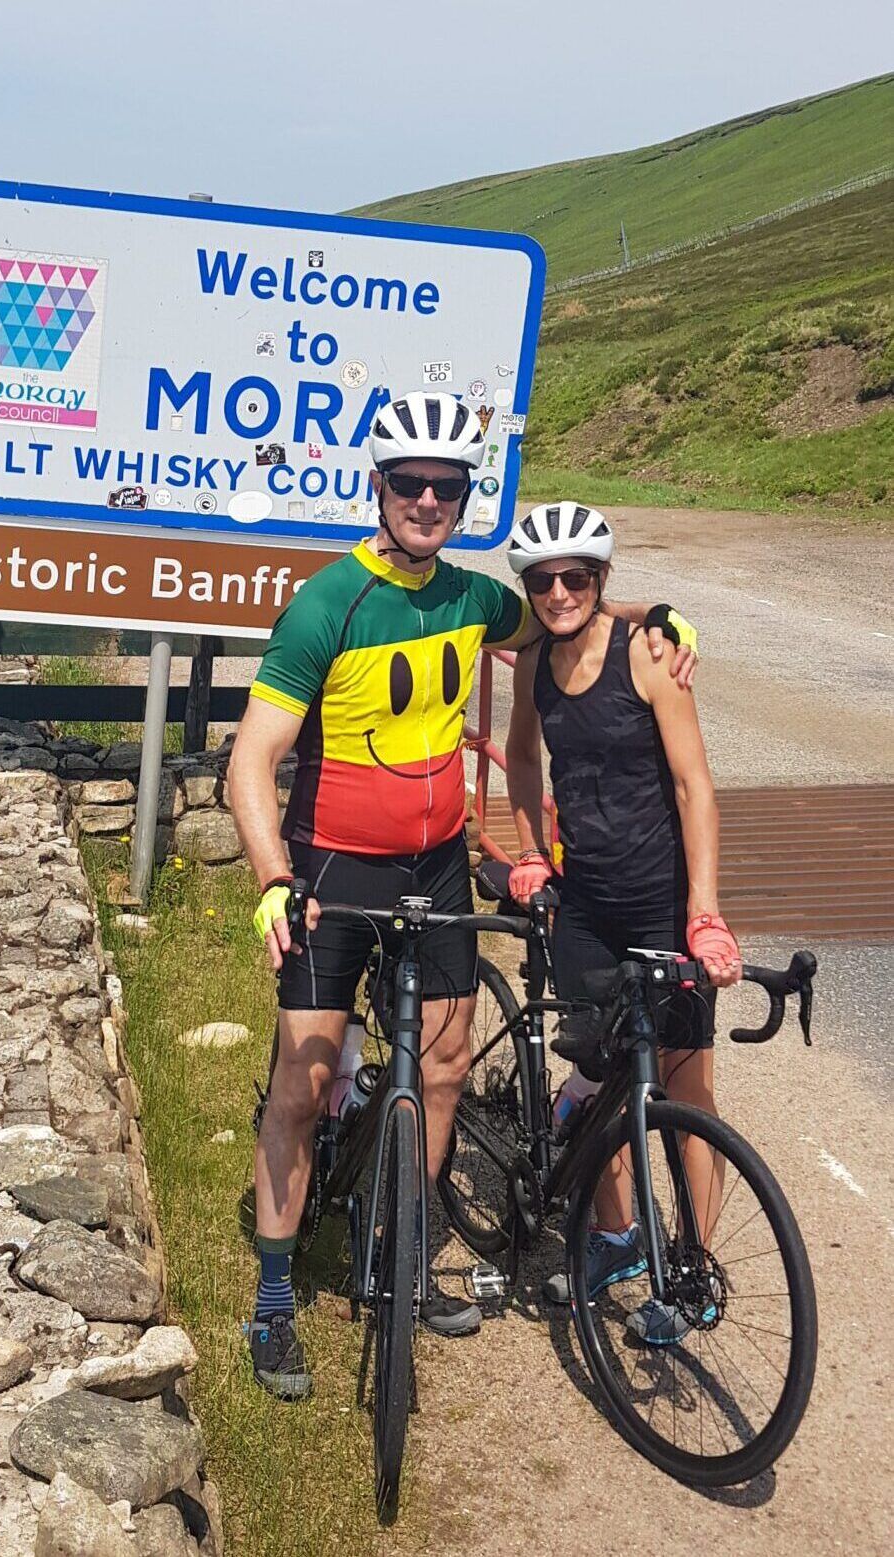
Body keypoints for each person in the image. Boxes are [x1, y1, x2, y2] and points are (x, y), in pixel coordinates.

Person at [227, 395, 697, 1398]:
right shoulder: (326, 605)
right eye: (411, 483)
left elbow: (571, 610)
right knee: (303, 1085)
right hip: (329, 868)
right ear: (379, 487)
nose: (430, 500)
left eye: (450, 485)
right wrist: (272, 879)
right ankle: (272, 1300)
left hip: (437, 863)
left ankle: (403, 1261)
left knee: (440, 1068)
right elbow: (252, 758)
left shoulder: (478, 598)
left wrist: (653, 620)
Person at [500, 501, 740, 1345]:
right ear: (528, 588)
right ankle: (614, 1236)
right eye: (541, 580)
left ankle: (696, 1261)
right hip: (586, 904)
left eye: (574, 577)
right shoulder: (531, 661)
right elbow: (523, 755)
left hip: (658, 900)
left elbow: (693, 788)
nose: (558, 591)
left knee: (686, 1087)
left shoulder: (646, 656)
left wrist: (703, 914)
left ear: (599, 580)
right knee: (598, 1079)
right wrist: (530, 848)